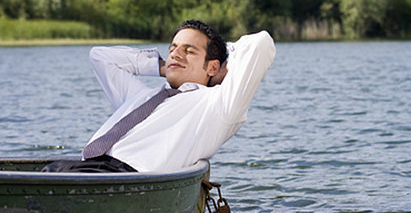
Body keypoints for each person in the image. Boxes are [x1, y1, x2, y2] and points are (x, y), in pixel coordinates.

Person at [43, 19, 275, 173]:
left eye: (189, 50)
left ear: (212, 67)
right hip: (88, 169)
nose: (176, 54)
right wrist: (164, 67)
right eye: (173, 48)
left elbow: (260, 43)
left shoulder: (217, 105)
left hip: (130, 182)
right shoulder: (142, 96)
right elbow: (100, 57)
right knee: (48, 172)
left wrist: (221, 64)